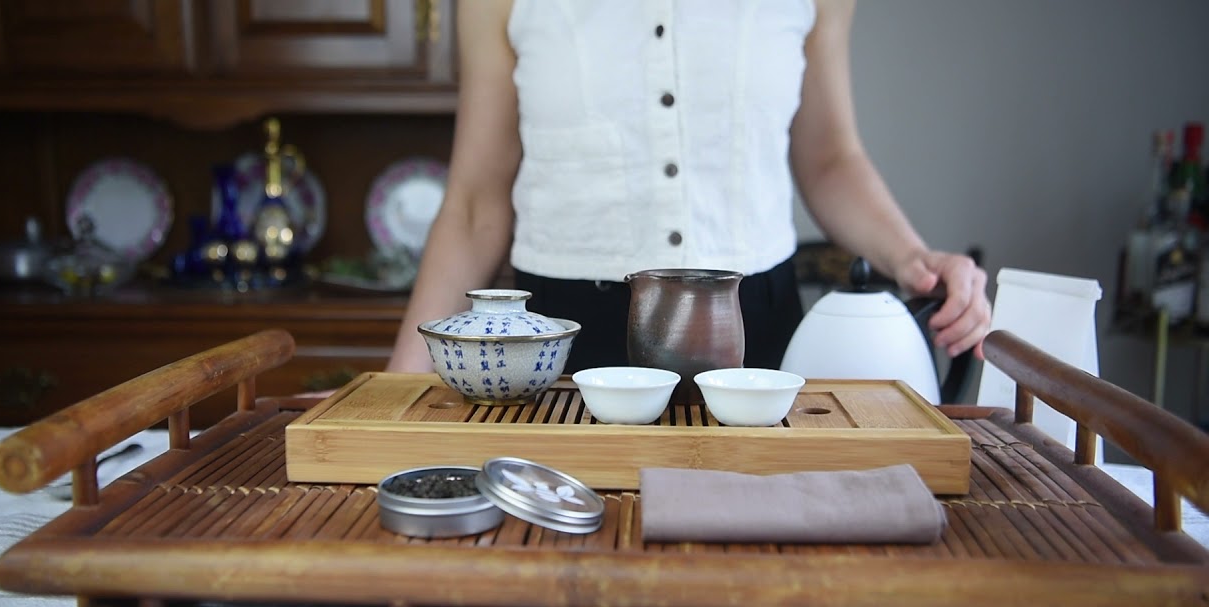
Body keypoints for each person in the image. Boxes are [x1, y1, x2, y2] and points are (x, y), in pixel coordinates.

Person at [386, 0, 990, 376]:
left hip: (753, 330)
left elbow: (831, 158)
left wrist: (915, 257)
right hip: (564, 338)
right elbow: (473, 203)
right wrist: (400, 385)